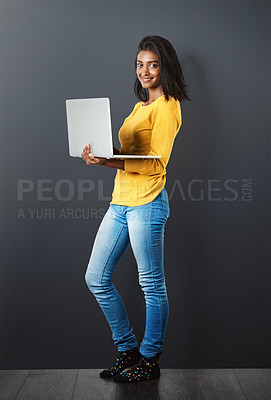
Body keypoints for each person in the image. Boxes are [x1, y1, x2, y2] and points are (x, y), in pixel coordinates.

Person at [81, 35, 191, 383]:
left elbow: (155, 163)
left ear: (165, 67)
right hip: (121, 201)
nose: (145, 71)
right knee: (96, 278)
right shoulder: (140, 105)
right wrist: (99, 152)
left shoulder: (168, 107)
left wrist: (106, 163)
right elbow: (130, 155)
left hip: (148, 202)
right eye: (140, 64)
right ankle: (127, 350)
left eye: (153, 64)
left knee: (152, 285)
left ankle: (149, 359)